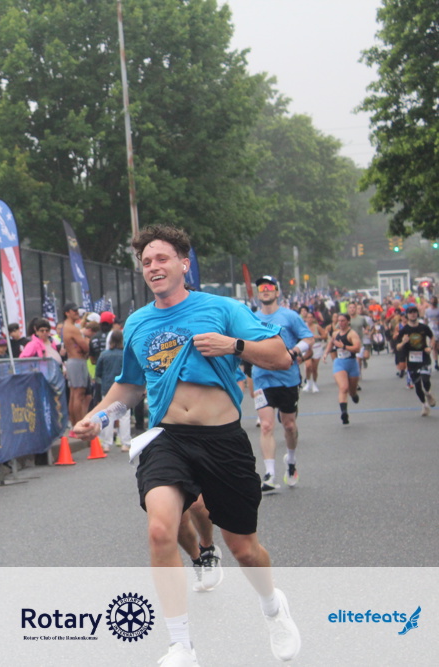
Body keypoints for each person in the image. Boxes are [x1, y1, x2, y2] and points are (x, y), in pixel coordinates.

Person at [72, 225, 299, 666]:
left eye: (161, 258)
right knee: (160, 529)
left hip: (223, 440)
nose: (153, 267)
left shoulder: (222, 308)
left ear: (183, 263)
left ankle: (273, 608)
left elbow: (280, 356)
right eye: (146, 262)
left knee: (244, 549)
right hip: (168, 439)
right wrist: (98, 418)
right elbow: (130, 387)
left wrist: (234, 345)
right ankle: (180, 645)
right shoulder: (138, 323)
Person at [251, 276, 313, 492]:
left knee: (289, 425)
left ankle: (291, 460)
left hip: (287, 378)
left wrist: (295, 351)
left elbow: (308, 339)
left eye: (270, 287)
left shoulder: (290, 316)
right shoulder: (251, 318)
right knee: (266, 425)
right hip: (262, 378)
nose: (265, 290)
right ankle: (269, 474)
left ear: (277, 292)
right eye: (261, 287)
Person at [395, 305, 435, 416]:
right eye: (410, 312)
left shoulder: (423, 327)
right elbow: (398, 347)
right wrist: (403, 342)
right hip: (412, 360)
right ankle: (424, 405)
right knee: (417, 385)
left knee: (425, 379)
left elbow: (432, 337)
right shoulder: (404, 330)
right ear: (407, 315)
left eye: (414, 312)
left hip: (424, 357)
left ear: (417, 314)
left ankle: (428, 393)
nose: (413, 314)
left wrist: (430, 347)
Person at [94, 330, 129, 453]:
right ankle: (125, 443)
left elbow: (98, 373)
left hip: (107, 387)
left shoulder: (104, 355)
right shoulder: (126, 354)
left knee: (107, 415)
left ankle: (106, 444)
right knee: (124, 416)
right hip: (124, 387)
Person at [329, 313, 361, 425]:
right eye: (339, 321)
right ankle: (344, 413)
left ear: (348, 321)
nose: (340, 323)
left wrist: (343, 346)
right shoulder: (335, 333)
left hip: (352, 363)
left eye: (343, 320)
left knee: (352, 391)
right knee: (343, 387)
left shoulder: (352, 334)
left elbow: (357, 348)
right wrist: (325, 353)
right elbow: (331, 343)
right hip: (339, 363)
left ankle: (354, 395)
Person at [61, 302, 90, 427]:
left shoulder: (66, 326)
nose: (76, 313)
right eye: (74, 311)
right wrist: (87, 340)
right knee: (79, 394)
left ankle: (75, 425)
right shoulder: (72, 328)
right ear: (67, 313)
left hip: (72, 361)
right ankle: (79, 425)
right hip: (77, 361)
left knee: (74, 393)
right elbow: (85, 347)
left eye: (77, 310)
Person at [303, 311, 326, 393]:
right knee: (308, 365)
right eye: (308, 317)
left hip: (317, 347)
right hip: (307, 347)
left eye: (311, 317)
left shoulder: (317, 326)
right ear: (305, 318)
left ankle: (314, 384)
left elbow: (325, 335)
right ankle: (308, 382)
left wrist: (318, 336)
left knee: (314, 368)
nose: (309, 319)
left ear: (313, 319)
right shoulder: (303, 326)